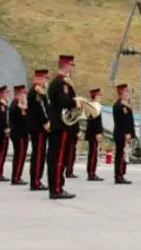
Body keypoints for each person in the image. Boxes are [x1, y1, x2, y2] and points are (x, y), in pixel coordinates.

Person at [47, 54, 81, 199]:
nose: (72, 68)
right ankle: (56, 189)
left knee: (58, 157)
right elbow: (65, 102)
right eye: (71, 65)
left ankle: (57, 186)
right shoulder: (61, 84)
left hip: (61, 125)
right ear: (66, 66)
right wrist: (76, 103)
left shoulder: (60, 82)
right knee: (59, 158)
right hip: (61, 126)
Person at [27, 69, 50, 191]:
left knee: (40, 154)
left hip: (38, 127)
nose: (46, 81)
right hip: (39, 127)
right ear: (39, 78)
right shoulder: (36, 91)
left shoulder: (39, 91)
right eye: (45, 78)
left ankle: (37, 180)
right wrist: (46, 121)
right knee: (39, 154)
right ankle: (35, 181)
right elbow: (40, 109)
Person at [112, 83, 135, 185]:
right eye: (126, 91)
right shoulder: (119, 106)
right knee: (120, 155)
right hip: (122, 134)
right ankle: (119, 175)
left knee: (124, 154)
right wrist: (127, 133)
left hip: (125, 134)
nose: (127, 93)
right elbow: (123, 121)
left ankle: (121, 174)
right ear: (121, 92)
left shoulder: (125, 105)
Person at [9, 85, 29, 185]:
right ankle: (16, 178)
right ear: (18, 94)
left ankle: (17, 176)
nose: (25, 95)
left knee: (21, 156)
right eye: (23, 93)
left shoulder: (20, 105)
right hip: (18, 134)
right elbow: (23, 120)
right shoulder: (16, 105)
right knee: (19, 156)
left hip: (22, 134)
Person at [85, 88, 104, 181]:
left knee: (93, 153)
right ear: (95, 96)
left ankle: (91, 172)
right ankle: (91, 173)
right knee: (93, 154)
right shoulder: (94, 106)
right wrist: (98, 133)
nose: (100, 97)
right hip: (94, 133)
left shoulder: (93, 105)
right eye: (99, 95)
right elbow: (95, 122)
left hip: (92, 133)